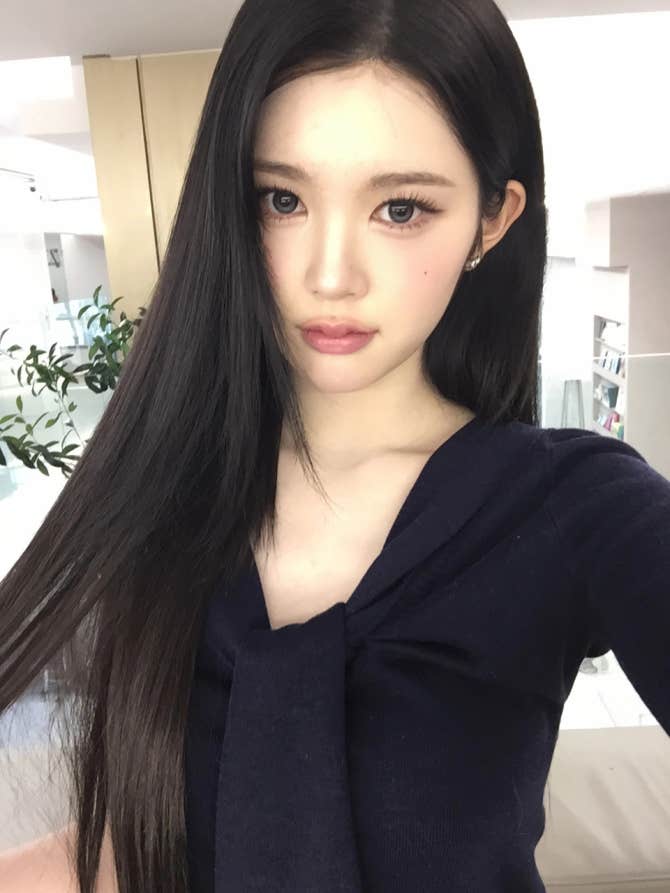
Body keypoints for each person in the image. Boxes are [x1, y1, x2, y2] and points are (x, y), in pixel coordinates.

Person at [1, 0, 668, 891]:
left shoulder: (578, 510)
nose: (329, 275)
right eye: (283, 200)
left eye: (401, 208)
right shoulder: (170, 494)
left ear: (492, 219)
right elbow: (162, 839)